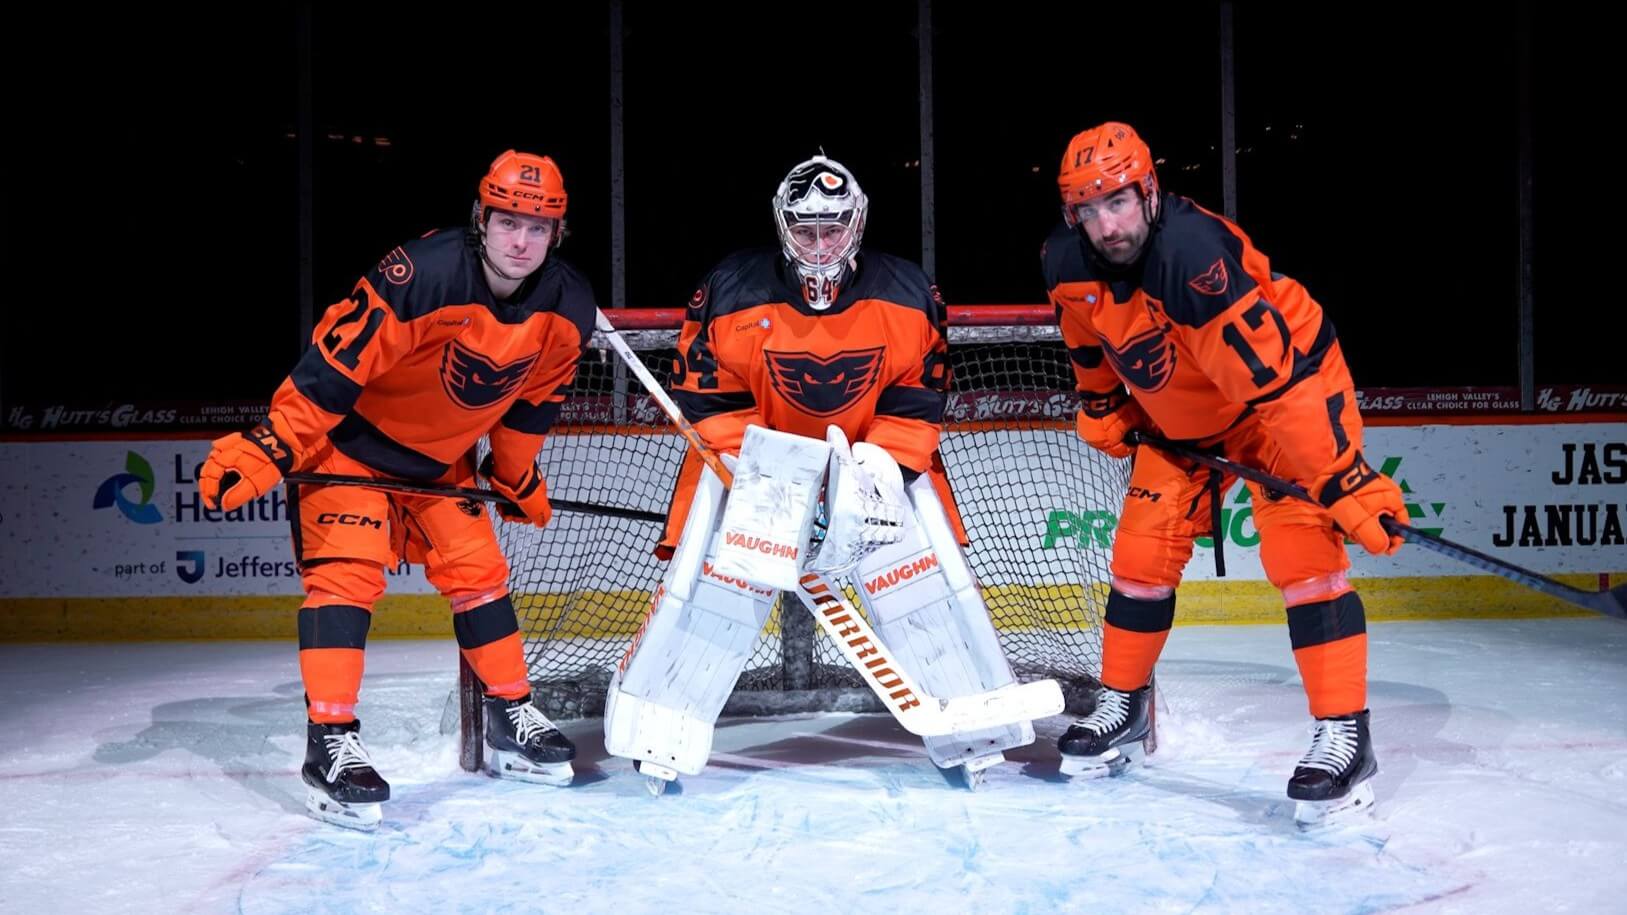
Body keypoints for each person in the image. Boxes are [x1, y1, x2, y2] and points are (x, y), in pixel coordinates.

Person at [601, 154, 1038, 792]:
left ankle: (971, 731)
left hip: (873, 471)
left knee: (921, 590)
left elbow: (920, 392)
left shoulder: (910, 292)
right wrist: (774, 470)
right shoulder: (730, 288)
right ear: (783, 226)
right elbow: (705, 397)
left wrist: (880, 460)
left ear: (856, 224)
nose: (820, 244)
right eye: (806, 230)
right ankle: (657, 733)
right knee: (717, 597)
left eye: (833, 228)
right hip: (754, 472)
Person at [198, 149, 590, 830]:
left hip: (441, 466)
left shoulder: (568, 305)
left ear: (556, 233)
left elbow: (534, 400)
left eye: (537, 227)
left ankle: (508, 713)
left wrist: (515, 472)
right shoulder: (423, 274)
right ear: (481, 218)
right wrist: (269, 443)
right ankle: (330, 743)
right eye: (507, 223)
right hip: (347, 452)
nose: (520, 241)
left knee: (480, 574)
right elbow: (335, 364)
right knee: (345, 581)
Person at [1041, 122, 1406, 825]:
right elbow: (1086, 339)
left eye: (1116, 202)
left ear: (1149, 190)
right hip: (1186, 419)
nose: (1105, 225)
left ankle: (1344, 737)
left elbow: (1278, 387)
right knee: (1139, 554)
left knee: (1304, 556)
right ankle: (1123, 702)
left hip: (1278, 402)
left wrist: (1342, 478)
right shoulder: (1065, 261)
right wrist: (1102, 401)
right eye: (1087, 210)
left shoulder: (1190, 257)